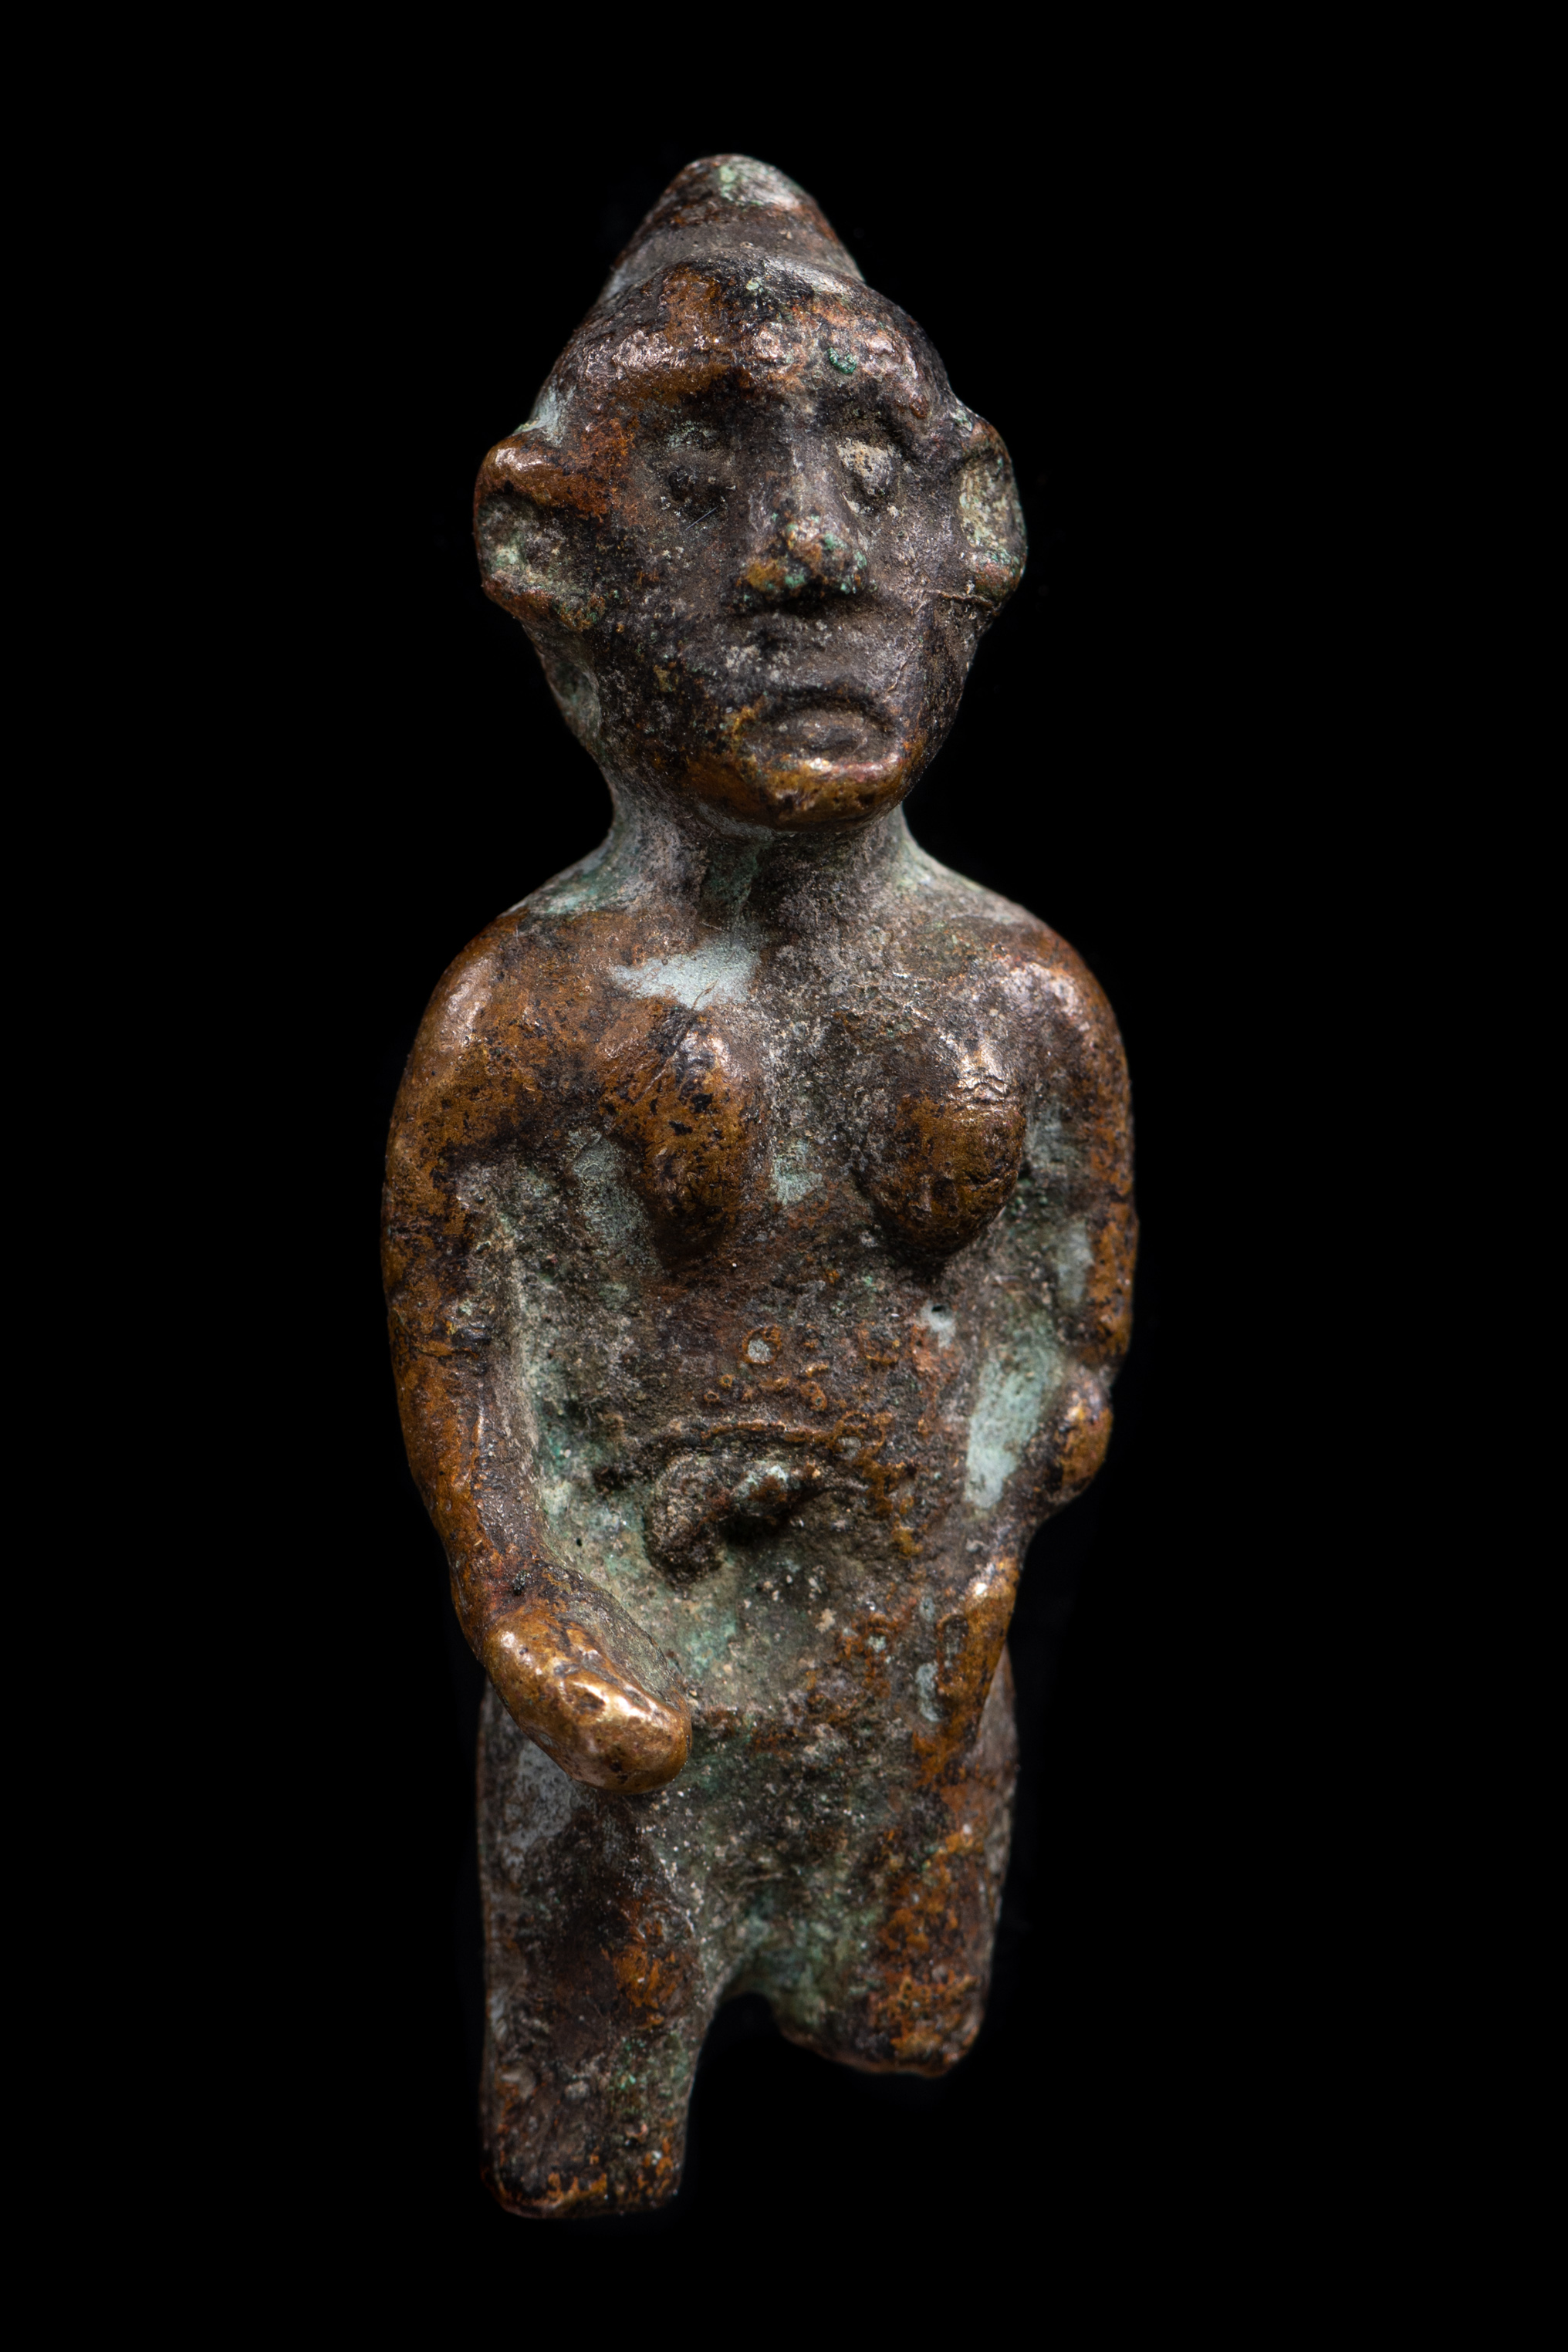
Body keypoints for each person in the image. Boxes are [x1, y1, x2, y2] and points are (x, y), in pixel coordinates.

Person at [384, 156, 1134, 2216]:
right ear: (546, 547)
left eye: (873, 471)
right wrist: (531, 1622)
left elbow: (1072, 1330)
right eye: (703, 481)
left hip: (917, 1711)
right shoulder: (529, 1012)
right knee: (591, 2131)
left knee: (909, 2047)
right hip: (630, 1752)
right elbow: (466, 1358)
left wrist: (986, 1562)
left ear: (974, 531)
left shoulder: (1024, 1000)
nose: (807, 550)